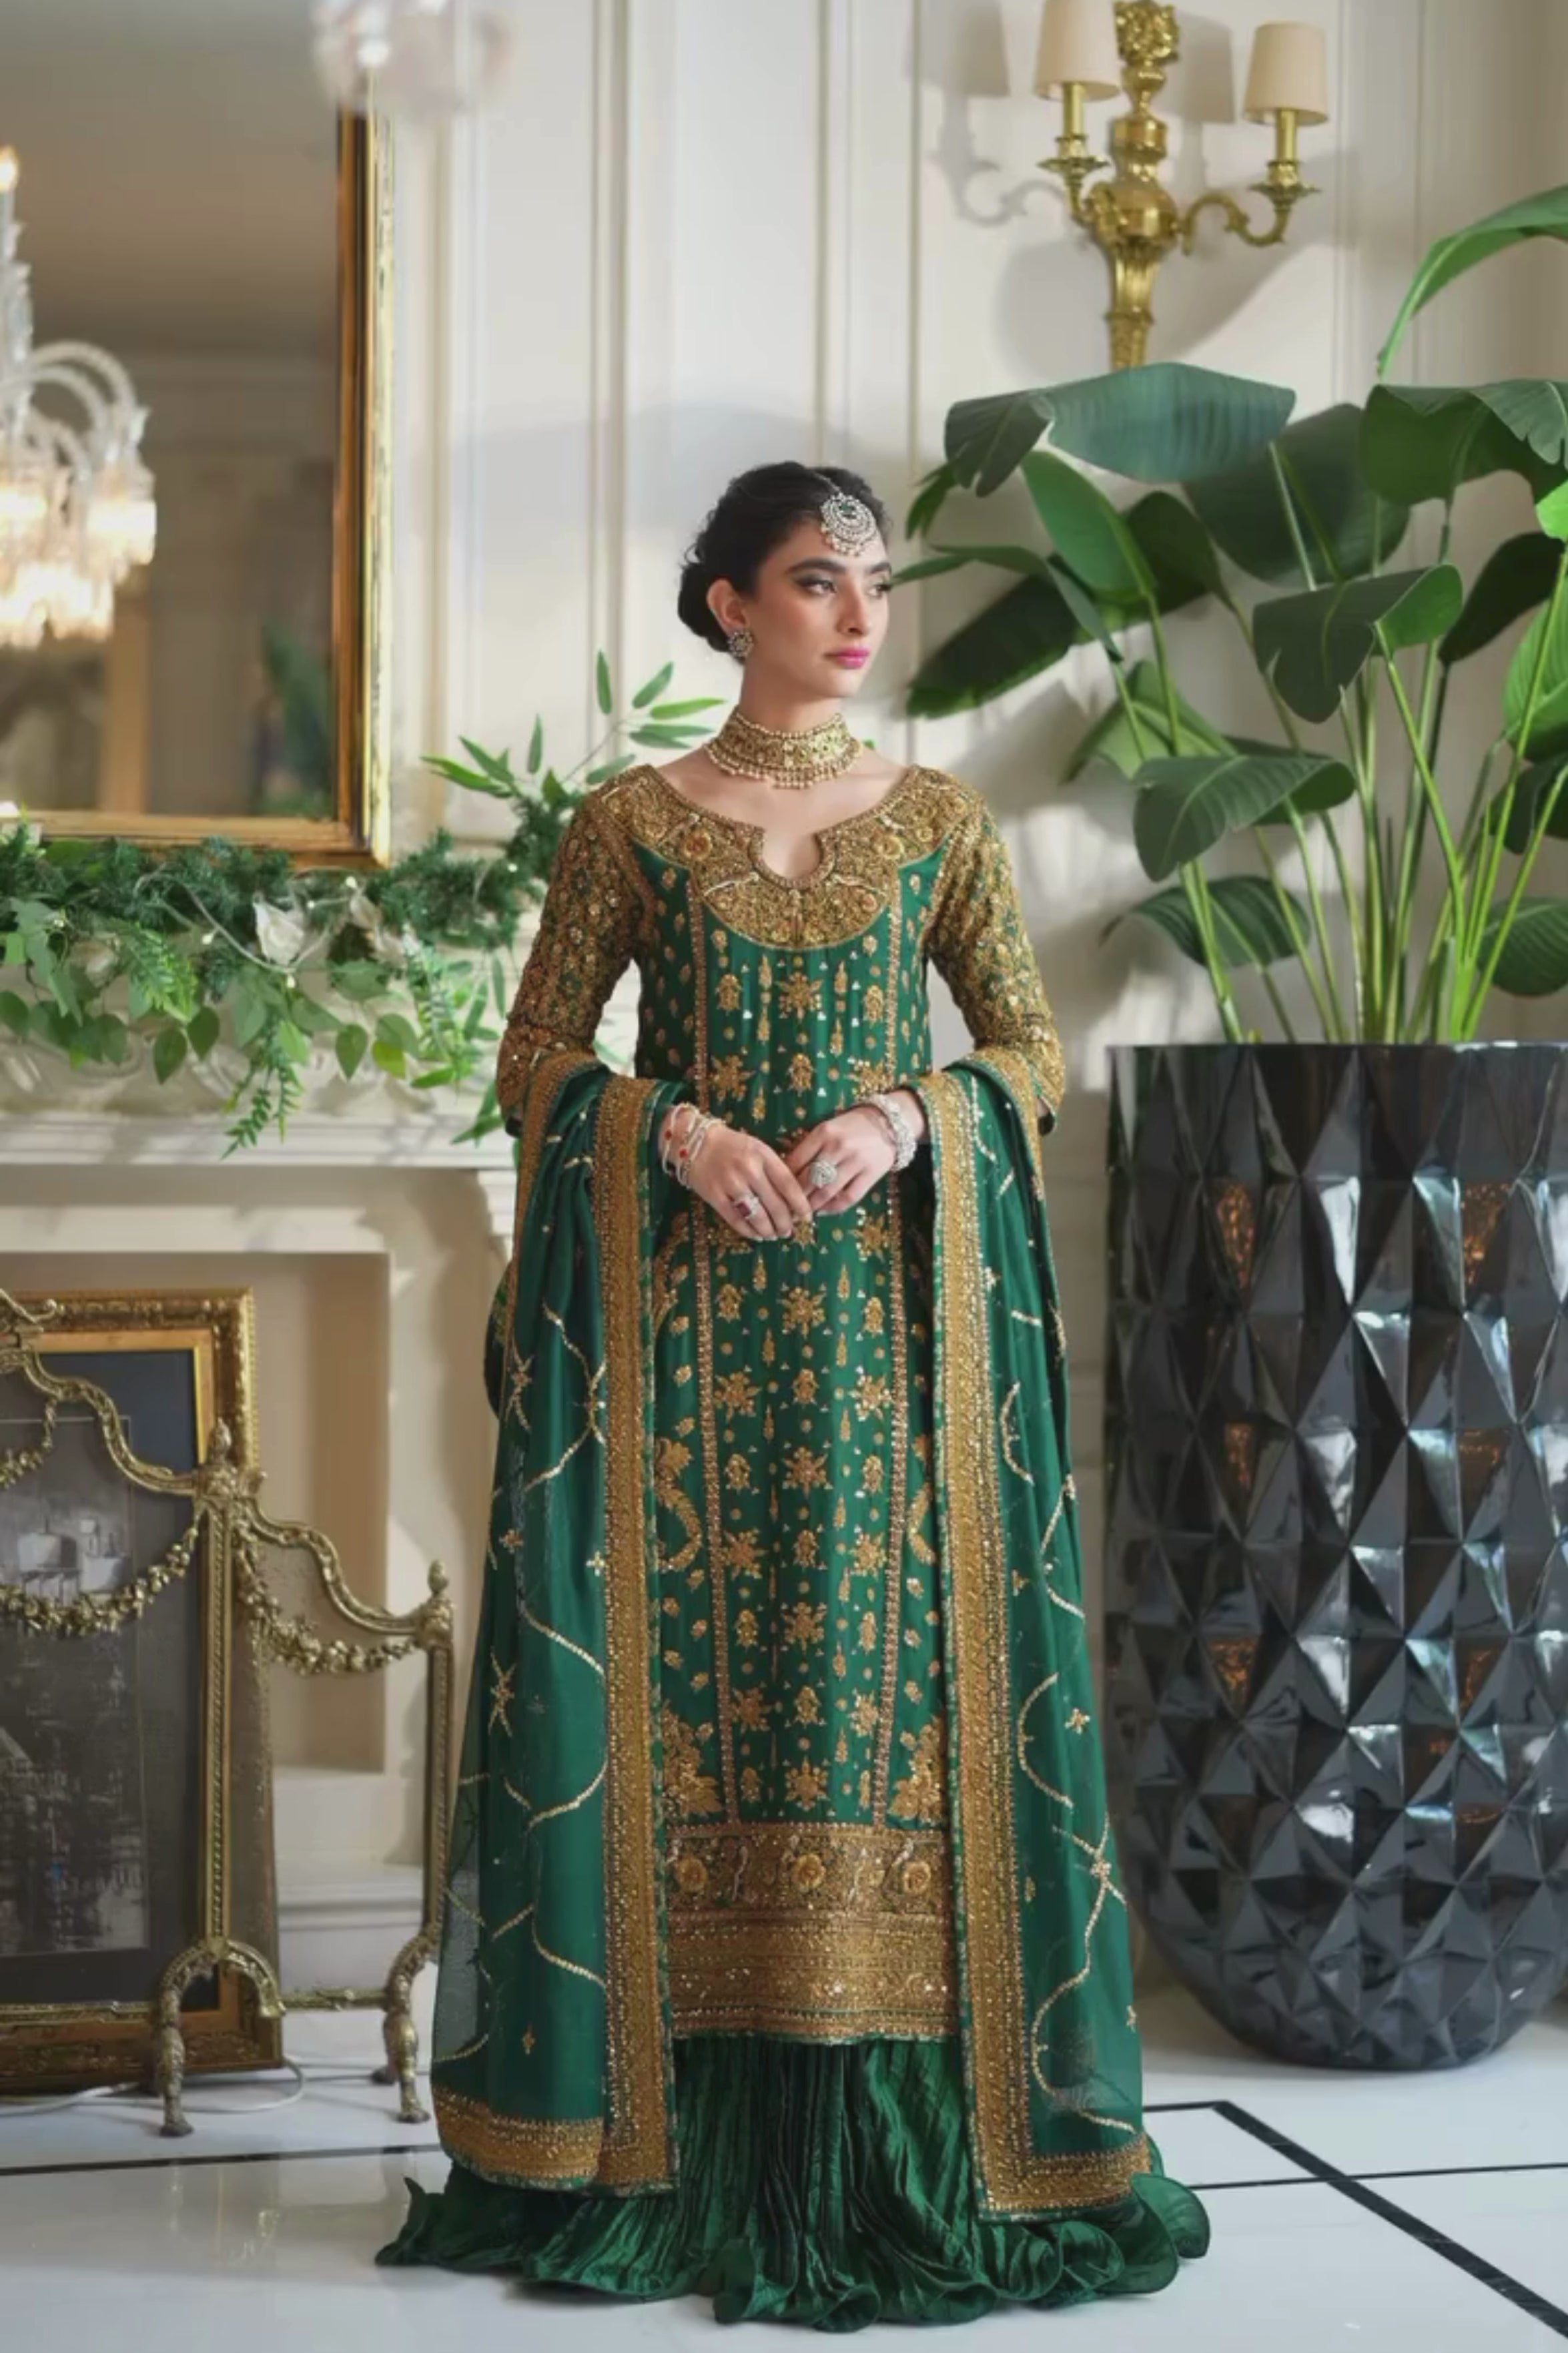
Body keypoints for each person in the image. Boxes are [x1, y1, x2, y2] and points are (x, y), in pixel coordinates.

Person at [378, 463, 1209, 2328]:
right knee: (694, 1692)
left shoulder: (939, 823)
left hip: (887, 1344)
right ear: (730, 606)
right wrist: (671, 1131)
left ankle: (903, 2139)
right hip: (676, 1344)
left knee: (869, 1690)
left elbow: (1029, 1048)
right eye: (817, 581)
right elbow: (534, 1052)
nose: (858, 616)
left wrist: (910, 1115)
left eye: (875, 584)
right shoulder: (632, 824)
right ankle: (661, 2143)